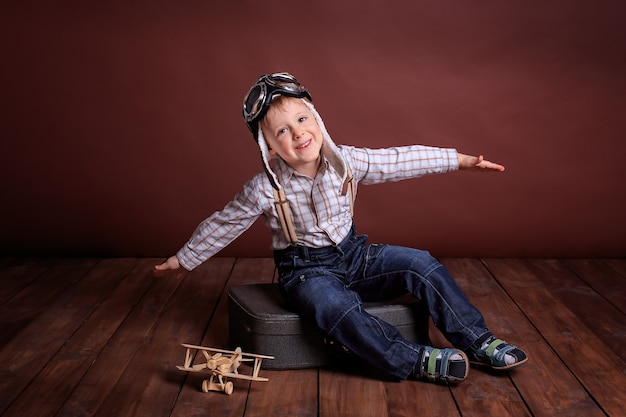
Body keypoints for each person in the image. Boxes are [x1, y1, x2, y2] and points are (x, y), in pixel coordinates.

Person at [156, 72, 528, 384]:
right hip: (306, 273)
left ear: (317, 120)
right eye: (282, 130)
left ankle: (477, 340)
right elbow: (225, 222)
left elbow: (401, 160)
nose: (298, 133)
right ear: (268, 146)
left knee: (421, 263)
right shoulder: (265, 188)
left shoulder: (346, 162)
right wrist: (183, 259)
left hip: (356, 255)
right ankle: (414, 360)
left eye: (303, 120)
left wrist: (459, 161)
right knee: (335, 307)